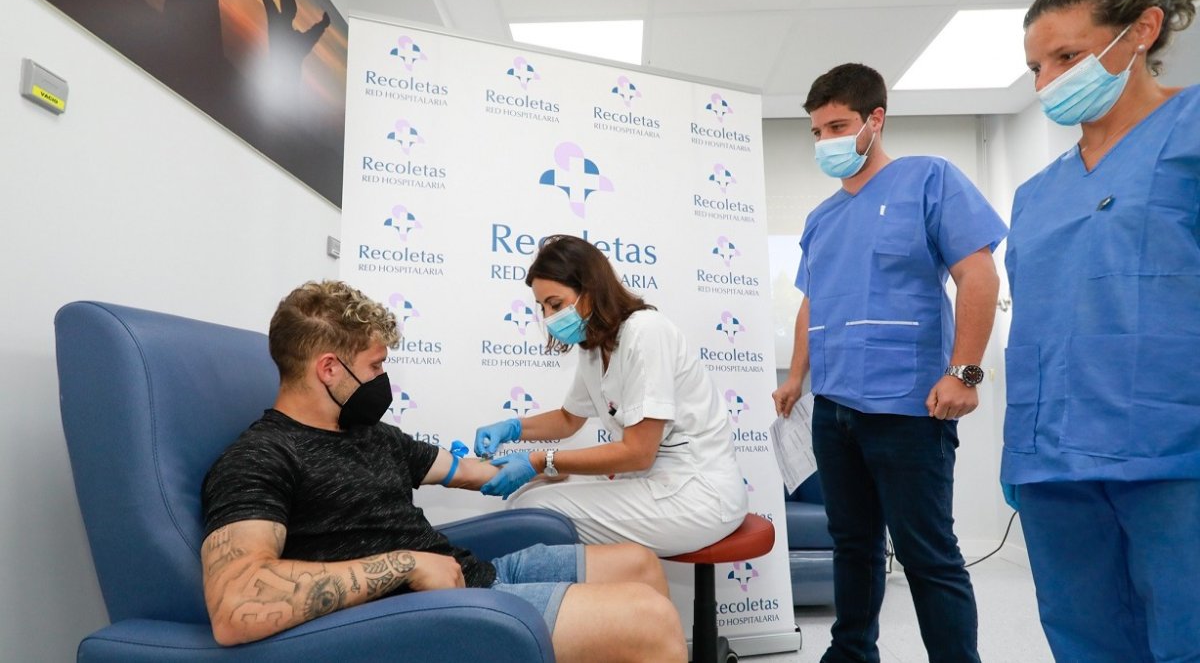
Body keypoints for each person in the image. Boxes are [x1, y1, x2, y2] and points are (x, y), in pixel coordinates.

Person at [200, 280, 686, 662]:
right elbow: (234, 603)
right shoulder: (261, 457)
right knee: (650, 620)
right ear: (329, 368)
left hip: (475, 576)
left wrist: (540, 466)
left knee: (639, 565)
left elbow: (473, 473)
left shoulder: (372, 435)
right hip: (424, 614)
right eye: (374, 367)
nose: (382, 381)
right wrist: (404, 565)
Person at [772, 64, 1008, 663]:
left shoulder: (929, 180)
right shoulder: (821, 219)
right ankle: (851, 653)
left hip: (907, 407)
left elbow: (977, 274)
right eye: (817, 131)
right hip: (835, 410)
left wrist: (966, 373)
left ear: (876, 120)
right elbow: (811, 302)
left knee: (928, 553)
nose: (826, 141)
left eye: (838, 125)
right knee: (851, 543)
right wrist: (797, 379)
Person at [1004, 0, 1200, 660]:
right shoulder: (1036, 195)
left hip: (1174, 450)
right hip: (1051, 459)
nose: (1049, 82)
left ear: (1144, 30)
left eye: (1067, 56)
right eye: (1037, 67)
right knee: (1086, 637)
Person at [473, 235, 748, 557]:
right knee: (530, 494)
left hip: (699, 492)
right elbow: (568, 419)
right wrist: (512, 428)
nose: (548, 317)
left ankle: (596, 604)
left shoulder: (645, 332)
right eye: (543, 307)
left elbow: (638, 452)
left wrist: (538, 460)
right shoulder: (596, 345)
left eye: (556, 304)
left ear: (590, 290)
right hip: (656, 478)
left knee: (535, 509)